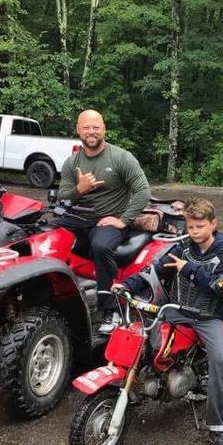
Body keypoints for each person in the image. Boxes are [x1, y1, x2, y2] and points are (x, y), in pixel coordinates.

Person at [113, 198, 223, 445]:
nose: (194, 232)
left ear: (213, 224)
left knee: (221, 361)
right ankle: (136, 387)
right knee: (142, 336)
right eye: (191, 227)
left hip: (209, 317)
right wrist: (127, 285)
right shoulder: (183, 248)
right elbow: (154, 270)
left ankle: (218, 428)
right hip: (177, 309)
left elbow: (220, 285)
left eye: (200, 226)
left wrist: (190, 269)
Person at [57, 109, 151, 334]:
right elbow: (62, 196)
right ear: (78, 130)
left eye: (96, 127)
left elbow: (143, 190)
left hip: (108, 221)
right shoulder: (72, 162)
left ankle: (111, 309)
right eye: (86, 127)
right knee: (43, 234)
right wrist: (80, 189)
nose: (91, 132)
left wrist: (124, 220)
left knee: (100, 246)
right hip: (78, 219)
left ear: (104, 129)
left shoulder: (120, 158)